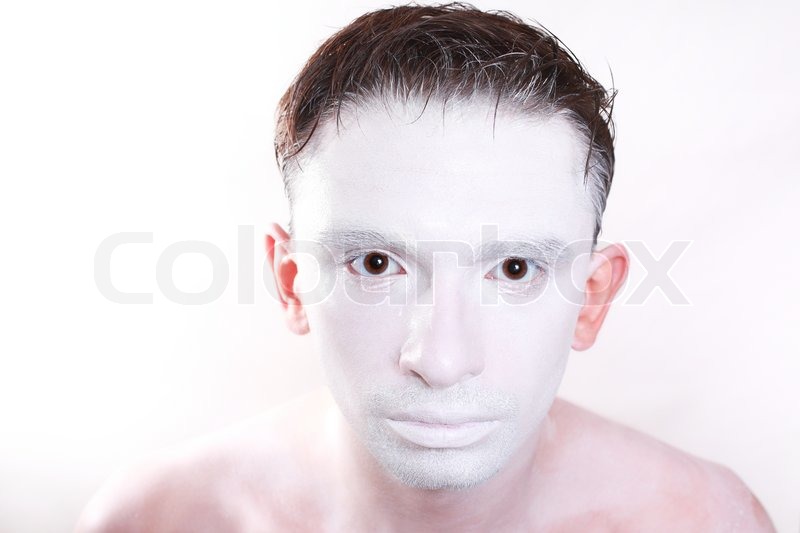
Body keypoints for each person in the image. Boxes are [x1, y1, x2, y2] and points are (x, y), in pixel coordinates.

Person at [76, 3, 775, 531]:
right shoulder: (156, 519)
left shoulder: (708, 521)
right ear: (292, 283)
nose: (441, 361)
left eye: (514, 268)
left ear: (591, 299)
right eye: (376, 262)